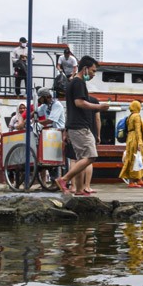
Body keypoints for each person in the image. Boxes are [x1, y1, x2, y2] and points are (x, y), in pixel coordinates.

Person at [55, 56, 109, 194]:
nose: (93, 74)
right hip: (80, 126)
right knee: (91, 156)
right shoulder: (78, 83)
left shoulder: (72, 83)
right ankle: (64, 179)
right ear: (85, 68)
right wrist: (98, 106)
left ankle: (79, 189)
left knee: (80, 159)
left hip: (74, 126)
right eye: (93, 71)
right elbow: (79, 103)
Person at [35, 88, 65, 189]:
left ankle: (57, 181)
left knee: (55, 159)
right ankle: (53, 181)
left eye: (41, 98)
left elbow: (50, 120)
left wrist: (37, 122)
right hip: (50, 133)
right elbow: (36, 112)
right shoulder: (45, 106)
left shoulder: (57, 105)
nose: (40, 100)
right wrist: (27, 118)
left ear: (46, 97)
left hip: (59, 132)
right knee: (49, 157)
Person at [119, 100, 143, 188]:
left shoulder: (130, 116)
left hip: (130, 138)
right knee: (141, 160)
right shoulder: (136, 116)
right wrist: (140, 143)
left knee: (135, 159)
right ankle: (132, 182)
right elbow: (138, 130)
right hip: (135, 139)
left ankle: (139, 179)